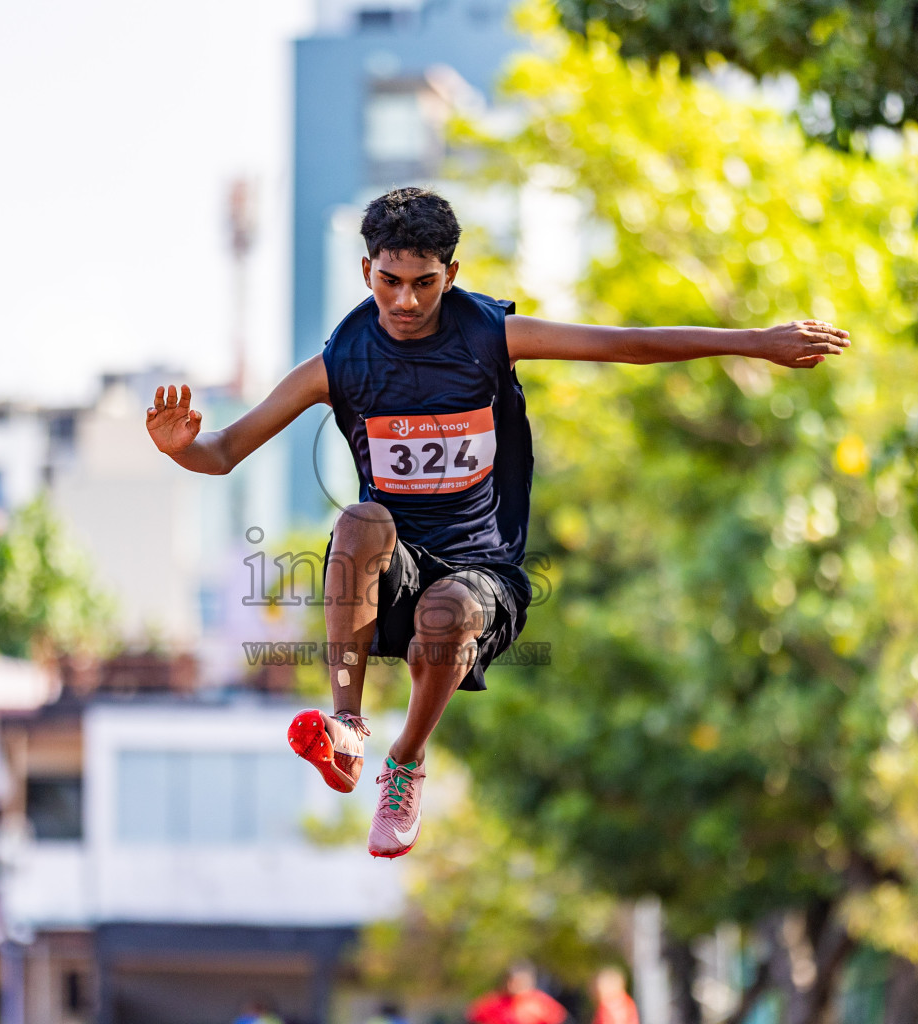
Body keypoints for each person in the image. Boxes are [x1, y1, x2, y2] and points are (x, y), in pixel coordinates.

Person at [146, 187, 851, 857]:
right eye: (390, 281)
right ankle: (349, 725)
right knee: (361, 521)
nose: (406, 300)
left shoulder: (492, 335)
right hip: (390, 576)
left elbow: (625, 344)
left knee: (448, 613)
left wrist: (753, 341)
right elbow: (226, 451)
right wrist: (182, 449)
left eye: (424, 282)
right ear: (366, 270)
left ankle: (404, 764)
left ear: (451, 273)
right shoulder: (338, 363)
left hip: (485, 578)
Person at [467, 964, 568, 1024]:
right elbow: (472, 1017)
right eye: (511, 981)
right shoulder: (492, 1002)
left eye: (519, 982)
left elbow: (561, 1019)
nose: (514, 986)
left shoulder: (540, 1003)